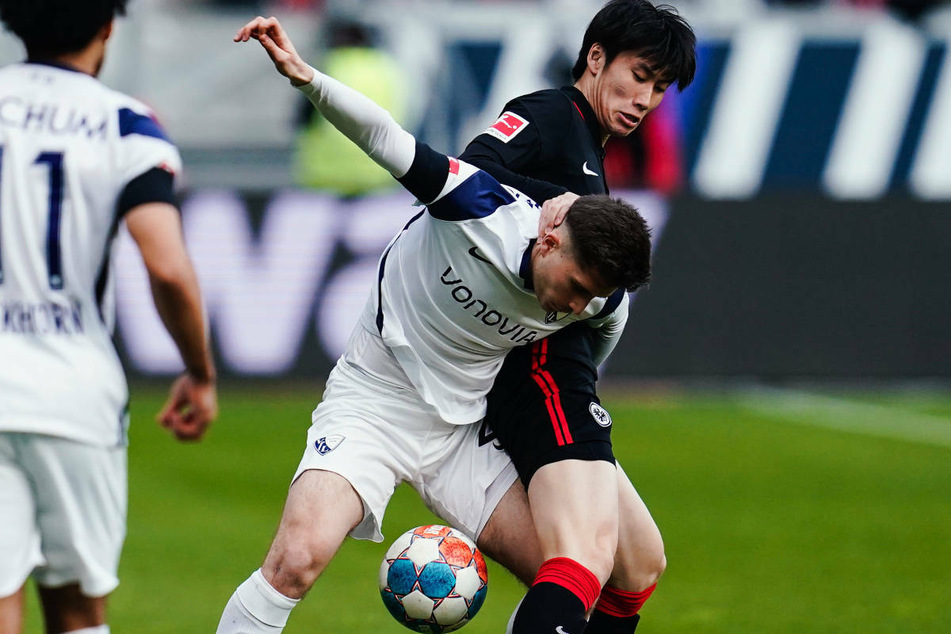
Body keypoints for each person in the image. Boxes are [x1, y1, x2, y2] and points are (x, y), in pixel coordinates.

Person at [218, 16, 651, 634]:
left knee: (576, 579)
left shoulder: (600, 300)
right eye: (576, 288)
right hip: (377, 398)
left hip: (465, 430)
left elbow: (606, 327)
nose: (575, 308)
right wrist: (307, 78)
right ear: (549, 239)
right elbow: (386, 138)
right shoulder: (482, 209)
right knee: (297, 560)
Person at [460, 1, 696, 631]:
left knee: (640, 564)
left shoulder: (591, 145)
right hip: (538, 363)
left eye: (660, 88)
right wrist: (552, 201)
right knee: (581, 562)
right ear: (595, 58)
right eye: (640, 75)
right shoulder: (549, 113)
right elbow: (470, 170)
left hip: (567, 369)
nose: (646, 98)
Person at [0, 1, 218, 632]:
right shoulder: (125, 124)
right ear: (106, 28)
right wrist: (199, 372)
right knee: (76, 606)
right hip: (73, 394)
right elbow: (168, 265)